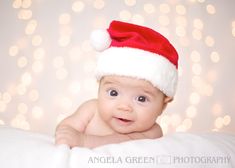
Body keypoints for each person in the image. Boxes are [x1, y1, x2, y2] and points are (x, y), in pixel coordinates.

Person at [55, 20, 179, 148]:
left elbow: (122, 142)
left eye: (141, 98)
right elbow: (65, 129)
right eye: (113, 93)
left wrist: (84, 141)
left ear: (163, 106)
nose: (124, 106)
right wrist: (66, 135)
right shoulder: (91, 109)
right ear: (99, 87)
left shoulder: (152, 132)